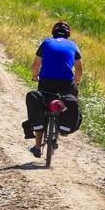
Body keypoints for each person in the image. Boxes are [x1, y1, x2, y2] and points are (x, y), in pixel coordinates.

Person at [27, 21, 83, 158]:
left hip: (46, 82)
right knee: (71, 99)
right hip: (66, 84)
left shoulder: (46, 43)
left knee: (41, 107)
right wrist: (76, 81)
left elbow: (36, 64)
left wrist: (35, 76)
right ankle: (64, 124)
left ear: (53, 32)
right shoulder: (73, 45)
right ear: (68, 34)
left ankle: (38, 147)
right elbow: (79, 69)